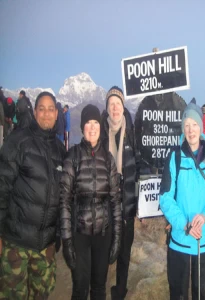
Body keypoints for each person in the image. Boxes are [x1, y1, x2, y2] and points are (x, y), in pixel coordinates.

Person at [0, 91, 66, 299]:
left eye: (50, 109)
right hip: (16, 244)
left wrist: (57, 235)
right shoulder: (18, 141)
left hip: (45, 246)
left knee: (41, 295)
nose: (46, 114)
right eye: (42, 109)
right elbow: (2, 187)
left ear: (56, 114)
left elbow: (61, 197)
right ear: (35, 112)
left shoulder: (60, 151)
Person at [159, 99, 205, 300]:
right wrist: (184, 224)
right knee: (178, 294)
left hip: (203, 241)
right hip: (180, 240)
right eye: (186, 125)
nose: (191, 130)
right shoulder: (175, 157)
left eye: (194, 124)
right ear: (183, 128)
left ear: (201, 126)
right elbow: (165, 197)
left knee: (202, 294)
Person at [60, 104, 122, 300]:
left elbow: (115, 200)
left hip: (103, 234)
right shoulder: (73, 156)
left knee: (98, 287)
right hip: (80, 235)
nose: (93, 127)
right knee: (80, 287)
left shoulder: (108, 159)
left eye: (96, 122)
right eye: (88, 122)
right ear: (82, 127)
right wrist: (67, 240)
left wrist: (117, 237)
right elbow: (65, 201)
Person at [101, 86, 140, 300]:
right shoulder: (99, 133)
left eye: (118, 104)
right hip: (104, 208)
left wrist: (140, 205)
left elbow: (140, 167)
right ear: (107, 108)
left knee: (124, 255)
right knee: (104, 254)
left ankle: (120, 292)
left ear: (123, 107)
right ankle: (99, 290)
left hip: (126, 208)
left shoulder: (131, 134)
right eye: (111, 104)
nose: (115, 108)